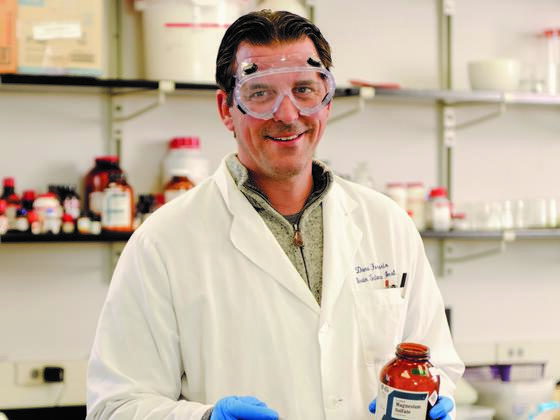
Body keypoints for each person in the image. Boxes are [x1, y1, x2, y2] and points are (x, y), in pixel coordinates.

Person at [86, 9, 464, 420]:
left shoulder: (387, 224)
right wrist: (206, 419)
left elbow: (435, 363)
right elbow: (116, 406)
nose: (286, 115)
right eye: (260, 92)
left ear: (328, 101)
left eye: (304, 89)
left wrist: (432, 398)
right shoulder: (162, 242)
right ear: (226, 108)